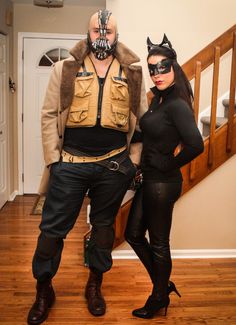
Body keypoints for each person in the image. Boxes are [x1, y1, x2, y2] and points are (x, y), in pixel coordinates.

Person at [27, 9, 147, 325]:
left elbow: (142, 123)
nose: (102, 36)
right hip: (70, 164)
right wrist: (54, 159)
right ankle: (43, 289)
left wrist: (132, 161)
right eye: (97, 30)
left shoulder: (133, 73)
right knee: (52, 231)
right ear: (89, 31)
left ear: (116, 34)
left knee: (103, 230)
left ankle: (95, 284)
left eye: (108, 31)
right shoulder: (64, 68)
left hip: (113, 166)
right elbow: (49, 115)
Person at [125, 34, 204, 319]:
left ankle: (158, 296)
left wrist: (169, 162)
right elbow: (151, 131)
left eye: (162, 67)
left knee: (158, 242)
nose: (157, 73)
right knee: (132, 234)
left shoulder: (177, 104)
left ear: (174, 67)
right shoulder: (159, 100)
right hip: (149, 179)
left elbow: (196, 144)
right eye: (152, 68)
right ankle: (163, 285)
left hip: (163, 184)